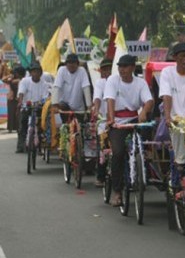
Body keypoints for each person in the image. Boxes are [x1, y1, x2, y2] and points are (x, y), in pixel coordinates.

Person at [104, 54, 154, 206]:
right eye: (120, 67)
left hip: (134, 119)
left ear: (132, 67)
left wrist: (144, 112)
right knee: (118, 153)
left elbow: (149, 101)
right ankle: (117, 191)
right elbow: (110, 100)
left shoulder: (140, 83)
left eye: (125, 67)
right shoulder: (113, 80)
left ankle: (143, 163)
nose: (122, 70)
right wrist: (111, 119)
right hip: (118, 122)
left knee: (148, 130)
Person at [16, 61, 51, 153]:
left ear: (41, 73)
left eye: (38, 71)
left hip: (39, 108)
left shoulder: (44, 84)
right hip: (27, 107)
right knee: (23, 125)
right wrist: (20, 102)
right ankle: (20, 146)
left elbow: (45, 97)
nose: (36, 73)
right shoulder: (25, 81)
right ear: (30, 73)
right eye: (34, 71)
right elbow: (21, 93)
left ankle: (39, 146)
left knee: (41, 126)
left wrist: (40, 103)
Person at [51, 53, 92, 122]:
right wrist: (55, 104)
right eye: (69, 63)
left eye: (73, 63)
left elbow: (86, 88)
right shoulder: (62, 70)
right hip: (65, 106)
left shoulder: (82, 71)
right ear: (66, 64)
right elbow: (56, 87)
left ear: (77, 64)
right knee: (66, 127)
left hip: (78, 108)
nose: (71, 65)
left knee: (80, 128)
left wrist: (89, 106)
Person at [92, 58, 112, 187]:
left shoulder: (118, 80)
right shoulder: (100, 83)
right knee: (103, 148)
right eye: (104, 69)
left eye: (109, 69)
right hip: (104, 120)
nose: (107, 72)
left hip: (119, 120)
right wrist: (96, 110)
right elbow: (97, 97)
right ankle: (100, 176)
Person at [1, 64, 25, 135]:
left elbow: (16, 81)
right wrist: (9, 76)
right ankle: (11, 128)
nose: (15, 74)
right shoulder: (12, 78)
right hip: (12, 97)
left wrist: (11, 79)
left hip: (18, 98)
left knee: (17, 113)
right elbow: (3, 80)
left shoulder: (21, 79)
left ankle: (17, 127)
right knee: (11, 113)